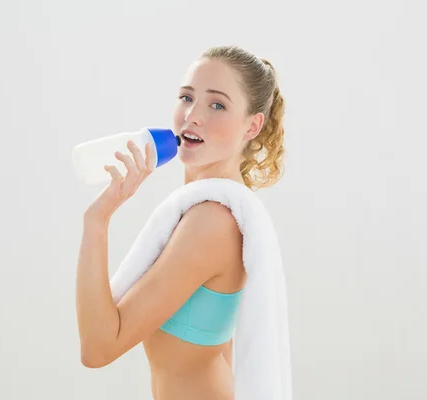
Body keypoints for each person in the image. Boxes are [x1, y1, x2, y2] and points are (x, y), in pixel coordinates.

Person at [76, 44, 286, 400]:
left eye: (217, 104)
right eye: (186, 97)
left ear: (252, 126)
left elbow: (98, 349)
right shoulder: (211, 209)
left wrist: (97, 220)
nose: (193, 116)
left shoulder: (211, 222)